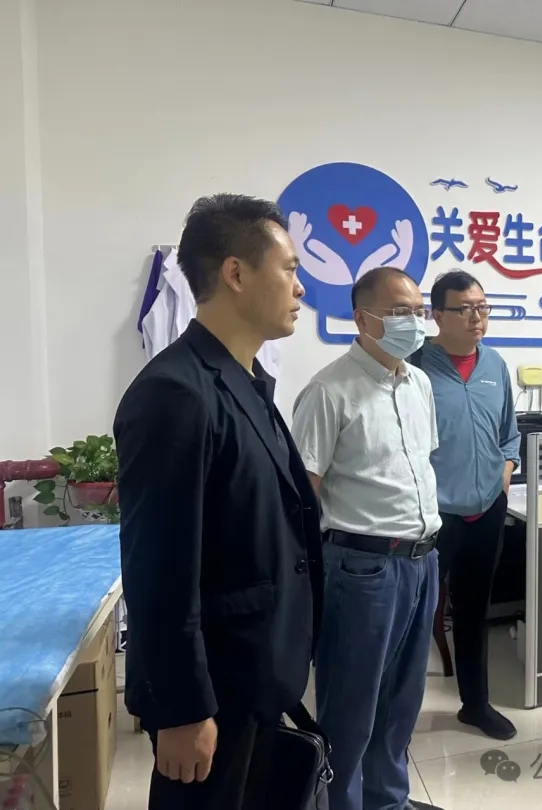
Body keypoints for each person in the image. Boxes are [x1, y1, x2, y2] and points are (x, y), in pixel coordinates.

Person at [114, 194, 324, 809]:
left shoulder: (244, 381)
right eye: (289, 269)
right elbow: (158, 571)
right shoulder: (175, 393)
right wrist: (182, 709)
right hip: (212, 692)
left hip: (256, 674)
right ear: (235, 273)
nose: (300, 288)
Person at [291, 266, 442, 810]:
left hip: (422, 562)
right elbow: (302, 497)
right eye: (401, 312)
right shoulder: (328, 391)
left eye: (419, 311)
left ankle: (388, 801)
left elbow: (418, 466)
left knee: (402, 701)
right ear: (363, 319)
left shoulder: (419, 383)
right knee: (352, 706)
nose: (415, 322)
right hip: (362, 567)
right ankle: (341, 804)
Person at [409, 270, 520, 741]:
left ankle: (475, 705)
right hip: (434, 516)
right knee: (414, 618)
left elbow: (509, 433)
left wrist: (505, 472)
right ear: (437, 315)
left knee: (475, 611)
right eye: (465, 309)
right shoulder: (415, 366)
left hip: (486, 508)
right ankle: (397, 717)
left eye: (483, 308)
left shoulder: (495, 364)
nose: (477, 318)